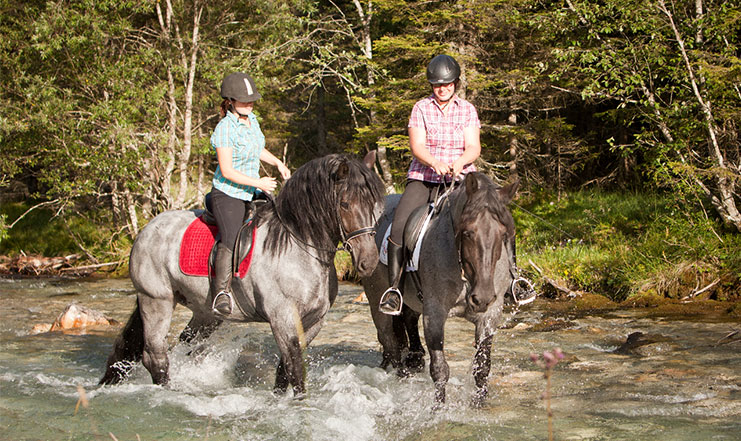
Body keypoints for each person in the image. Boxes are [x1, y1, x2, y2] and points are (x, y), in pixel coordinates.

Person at [379, 54, 481, 315]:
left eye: (447, 84)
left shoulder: (467, 109)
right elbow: (417, 146)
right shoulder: (421, 108)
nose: (442, 89)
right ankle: (395, 289)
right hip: (424, 179)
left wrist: (459, 163)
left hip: (461, 180)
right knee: (400, 225)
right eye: (437, 85)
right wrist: (434, 162)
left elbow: (473, 146)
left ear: (455, 84)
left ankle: (512, 279)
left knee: (491, 219)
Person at [209, 72, 291, 317]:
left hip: (252, 190)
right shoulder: (224, 128)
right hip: (228, 193)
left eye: (252, 100)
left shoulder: (251, 120)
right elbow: (227, 170)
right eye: (245, 101)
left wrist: (277, 162)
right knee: (232, 237)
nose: (250, 104)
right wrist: (258, 181)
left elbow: (257, 149)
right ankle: (221, 293)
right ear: (231, 101)